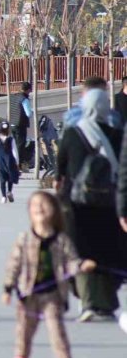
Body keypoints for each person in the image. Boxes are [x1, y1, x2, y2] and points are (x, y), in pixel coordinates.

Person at [2, 191, 96, 358]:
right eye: (35, 205)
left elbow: (71, 262)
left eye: (44, 205)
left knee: (56, 331)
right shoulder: (24, 239)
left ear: (54, 210)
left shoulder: (61, 240)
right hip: (28, 294)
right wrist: (7, 288)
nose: (39, 208)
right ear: (29, 211)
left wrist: (80, 266)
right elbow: (14, 264)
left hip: (52, 295)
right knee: (24, 331)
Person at [54, 89, 123, 322]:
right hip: (108, 202)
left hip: (78, 203)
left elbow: (60, 166)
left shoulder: (73, 133)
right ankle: (107, 303)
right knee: (106, 250)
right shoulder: (116, 133)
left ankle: (88, 302)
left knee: (81, 250)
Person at [0, 122, 19, 203]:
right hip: (6, 161)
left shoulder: (3, 140)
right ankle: (6, 193)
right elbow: (14, 151)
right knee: (6, 178)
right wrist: (17, 162)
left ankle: (5, 194)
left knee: (5, 179)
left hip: (4, 161)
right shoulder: (4, 140)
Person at [10, 82, 32, 168]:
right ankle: (18, 164)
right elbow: (28, 114)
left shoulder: (13, 97)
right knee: (20, 145)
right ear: (28, 90)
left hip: (12, 123)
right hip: (20, 124)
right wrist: (32, 111)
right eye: (30, 90)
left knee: (14, 144)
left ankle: (14, 162)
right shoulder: (24, 99)